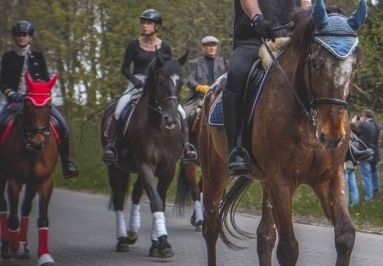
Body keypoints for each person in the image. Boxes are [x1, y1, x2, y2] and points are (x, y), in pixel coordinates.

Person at [225, 0, 311, 175]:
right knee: (237, 74)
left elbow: (306, 7)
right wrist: (258, 18)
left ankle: (344, 142)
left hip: (289, 44)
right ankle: (236, 148)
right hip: (254, 39)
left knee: (328, 70)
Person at [102, 9, 198, 164]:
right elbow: (124, 68)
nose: (144, 26)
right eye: (143, 22)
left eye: (149, 23)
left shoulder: (165, 47)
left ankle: (187, 147)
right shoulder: (133, 45)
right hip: (137, 83)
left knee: (181, 113)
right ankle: (112, 146)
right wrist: (134, 80)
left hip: (158, 86)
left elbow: (168, 69)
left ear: (157, 27)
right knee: (119, 110)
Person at [0, 20, 79, 179]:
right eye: (19, 35)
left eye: (25, 35)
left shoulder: (38, 56)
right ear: (15, 38)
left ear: (30, 38)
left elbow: (45, 78)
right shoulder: (8, 57)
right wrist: (10, 93)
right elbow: (2, 80)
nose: (22, 38)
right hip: (14, 99)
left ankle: (66, 165)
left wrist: (41, 92)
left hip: (37, 101)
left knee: (62, 125)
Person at [186, 35, 227, 111]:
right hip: (199, 98)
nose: (212, 48)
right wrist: (199, 87)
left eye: (214, 45)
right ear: (202, 47)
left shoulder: (223, 62)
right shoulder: (196, 63)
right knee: (186, 113)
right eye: (209, 45)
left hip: (220, 97)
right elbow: (190, 80)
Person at [352, 109, 382, 201]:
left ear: (365, 116)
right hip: (375, 152)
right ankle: (376, 190)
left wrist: (354, 122)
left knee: (366, 175)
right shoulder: (378, 126)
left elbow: (354, 130)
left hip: (365, 153)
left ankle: (368, 198)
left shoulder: (364, 126)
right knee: (374, 172)